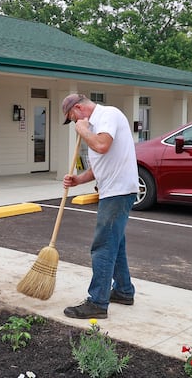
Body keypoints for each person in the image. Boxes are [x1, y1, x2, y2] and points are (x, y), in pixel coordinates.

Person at [60, 93, 139, 319]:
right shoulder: (97, 125)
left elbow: (102, 146)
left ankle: (97, 302)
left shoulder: (108, 115)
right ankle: (123, 291)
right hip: (113, 190)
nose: (74, 123)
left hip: (118, 191)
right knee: (116, 244)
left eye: (72, 118)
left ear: (77, 109)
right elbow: (100, 166)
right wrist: (78, 180)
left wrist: (82, 130)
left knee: (103, 246)